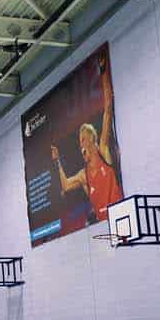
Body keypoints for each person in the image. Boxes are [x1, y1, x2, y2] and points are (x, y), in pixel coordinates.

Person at [49, 60, 121, 222]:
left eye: (83, 139)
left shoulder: (103, 150)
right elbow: (66, 186)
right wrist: (57, 161)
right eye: (79, 141)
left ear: (92, 139)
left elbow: (108, 109)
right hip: (105, 224)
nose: (80, 144)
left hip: (121, 215)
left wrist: (103, 72)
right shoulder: (84, 175)